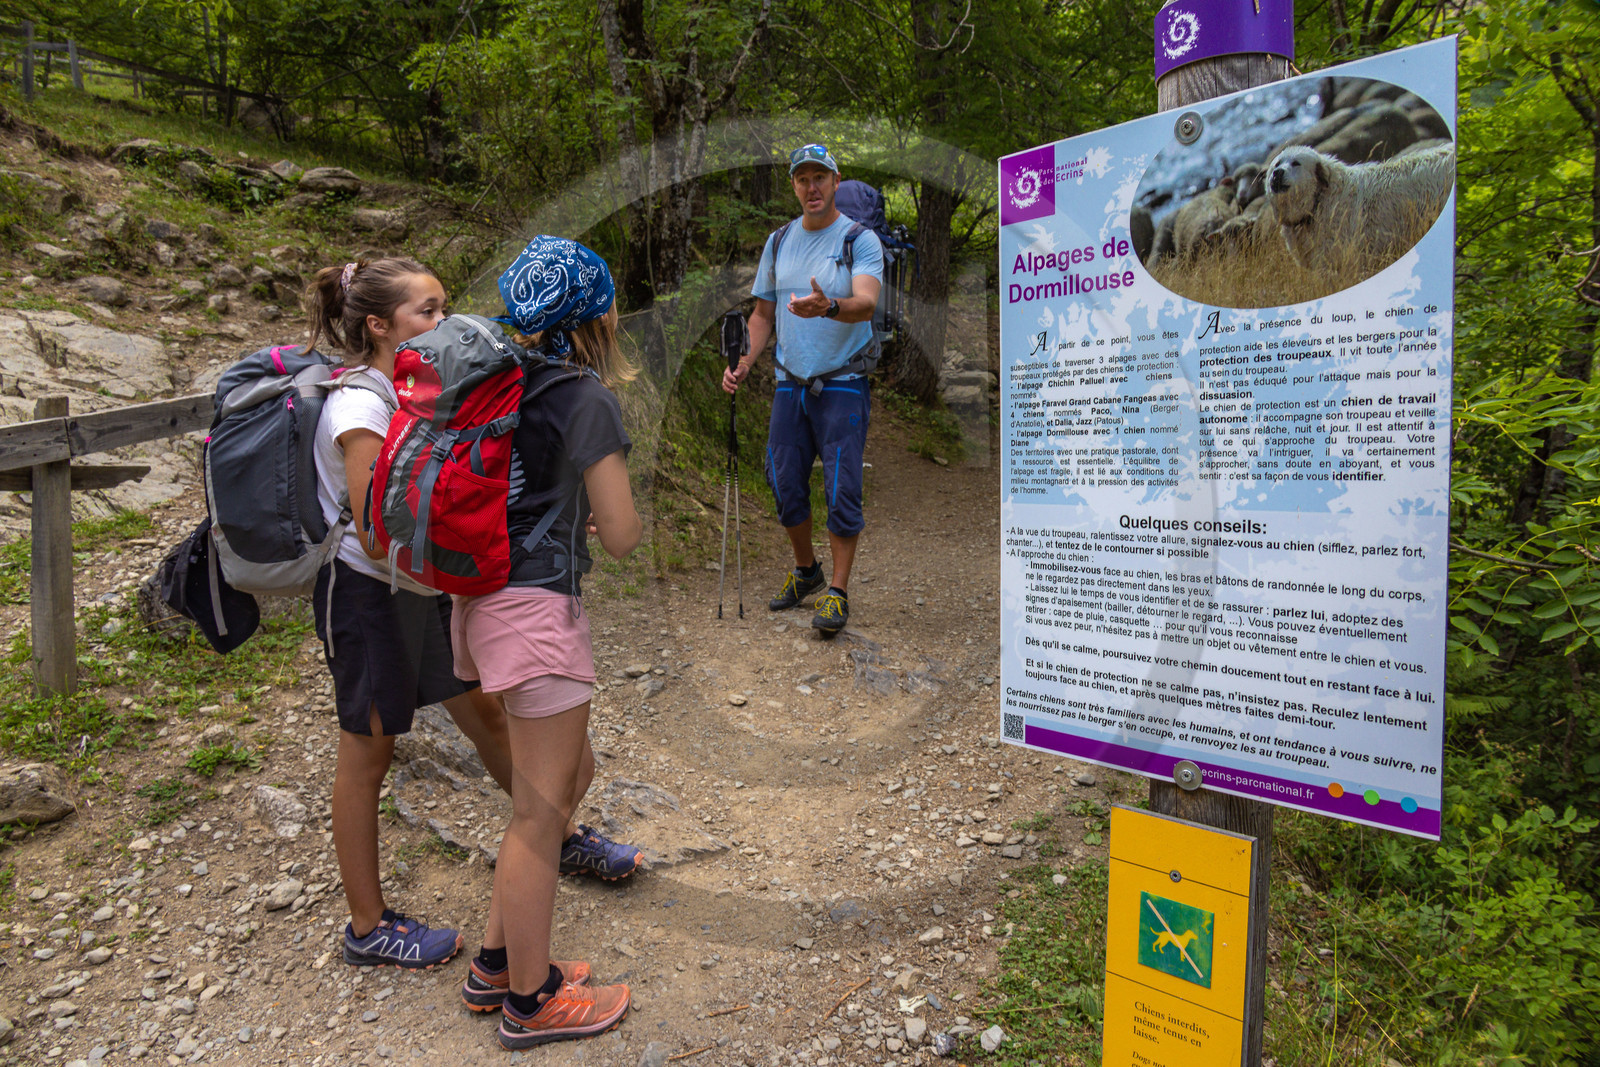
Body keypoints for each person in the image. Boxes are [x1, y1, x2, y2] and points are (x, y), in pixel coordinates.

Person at [452, 236, 641, 1049]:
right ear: (591, 314)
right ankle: (530, 1002)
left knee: (566, 777)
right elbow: (625, 534)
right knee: (538, 815)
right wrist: (609, 515)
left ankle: (497, 961)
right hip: (536, 615)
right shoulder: (584, 398)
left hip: (480, 603)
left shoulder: (491, 381)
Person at [305, 257, 518, 971]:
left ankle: (551, 829)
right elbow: (372, 531)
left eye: (444, 306)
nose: (443, 320)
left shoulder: (416, 389)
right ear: (379, 324)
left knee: (484, 709)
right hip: (368, 594)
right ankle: (366, 926)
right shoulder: (359, 406)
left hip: (418, 589)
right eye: (427, 310)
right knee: (368, 749)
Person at [722, 143, 884, 635]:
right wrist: (744, 360)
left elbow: (866, 303)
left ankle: (837, 591)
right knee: (784, 481)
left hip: (843, 381)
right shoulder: (778, 241)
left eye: (820, 177)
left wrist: (829, 307)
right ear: (793, 185)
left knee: (841, 489)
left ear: (836, 181)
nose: (811, 187)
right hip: (789, 383)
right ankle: (806, 571)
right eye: (801, 179)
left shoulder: (861, 240)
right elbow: (763, 312)